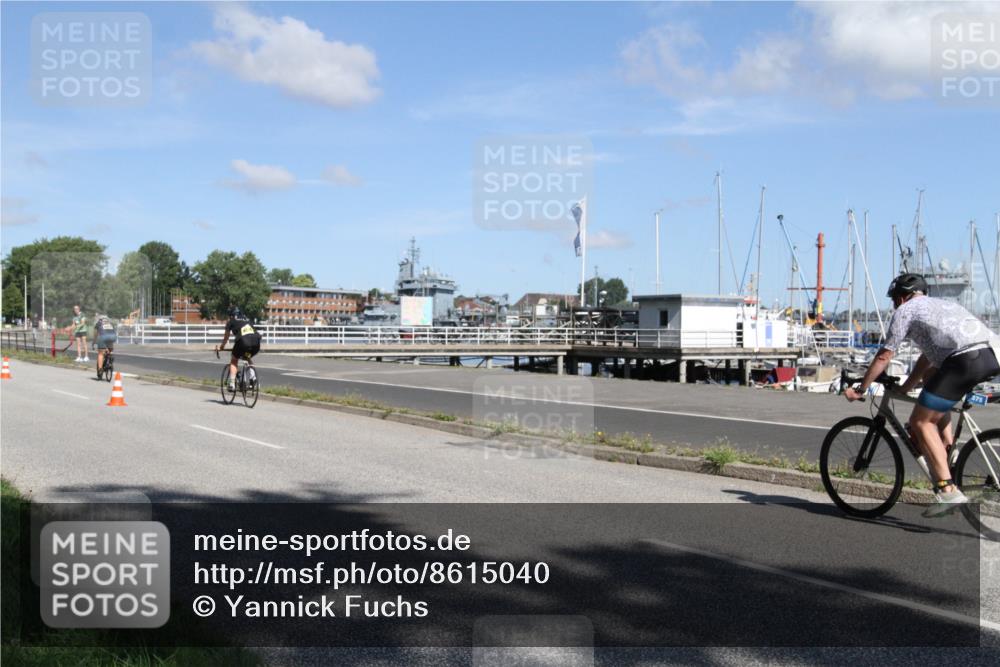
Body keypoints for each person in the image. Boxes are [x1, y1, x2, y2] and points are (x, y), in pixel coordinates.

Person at [844, 273, 1000, 516]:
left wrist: (861, 388)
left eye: (894, 300)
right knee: (931, 380)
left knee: (920, 422)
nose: (894, 305)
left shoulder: (905, 311)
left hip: (964, 361)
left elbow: (884, 355)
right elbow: (928, 358)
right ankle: (948, 448)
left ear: (902, 297)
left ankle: (947, 491)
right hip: (992, 355)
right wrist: (906, 388)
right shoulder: (942, 305)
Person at [214, 306, 261, 391]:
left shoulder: (231, 321)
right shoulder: (247, 320)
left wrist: (222, 347)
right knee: (247, 357)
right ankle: (253, 379)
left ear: (231, 315)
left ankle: (232, 384)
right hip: (256, 343)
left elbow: (226, 337)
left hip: (243, 342)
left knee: (234, 360)